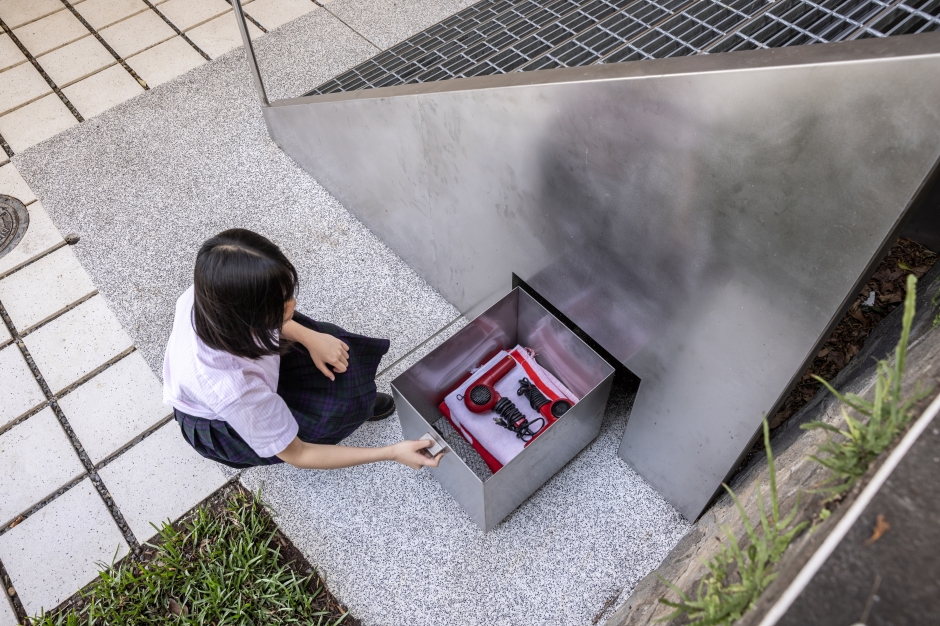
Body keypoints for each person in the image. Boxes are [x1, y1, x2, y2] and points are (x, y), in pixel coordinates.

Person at [163, 228, 442, 471]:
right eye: (281, 301)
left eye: (287, 293)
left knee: (333, 343)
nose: (293, 304)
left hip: (250, 362)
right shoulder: (235, 389)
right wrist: (392, 452)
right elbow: (299, 453)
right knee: (338, 409)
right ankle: (348, 413)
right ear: (248, 314)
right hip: (225, 420)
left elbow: (269, 325)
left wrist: (309, 337)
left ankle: (355, 401)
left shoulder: (213, 292)